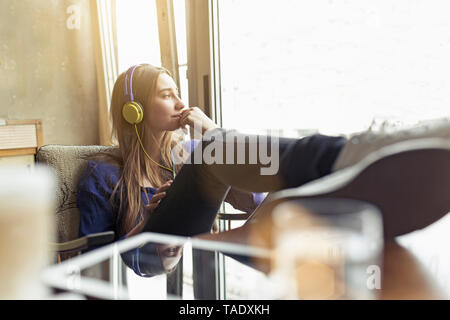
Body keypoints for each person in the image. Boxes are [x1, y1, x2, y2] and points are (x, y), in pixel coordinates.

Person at [77, 63, 450, 276]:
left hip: (199, 249)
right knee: (214, 149)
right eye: (166, 93)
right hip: (144, 258)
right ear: (134, 109)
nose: (180, 101)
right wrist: (150, 218)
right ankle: (353, 152)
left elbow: (254, 200)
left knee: (261, 183)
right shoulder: (103, 173)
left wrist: (236, 182)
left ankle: (345, 181)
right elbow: (99, 262)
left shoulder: (187, 152)